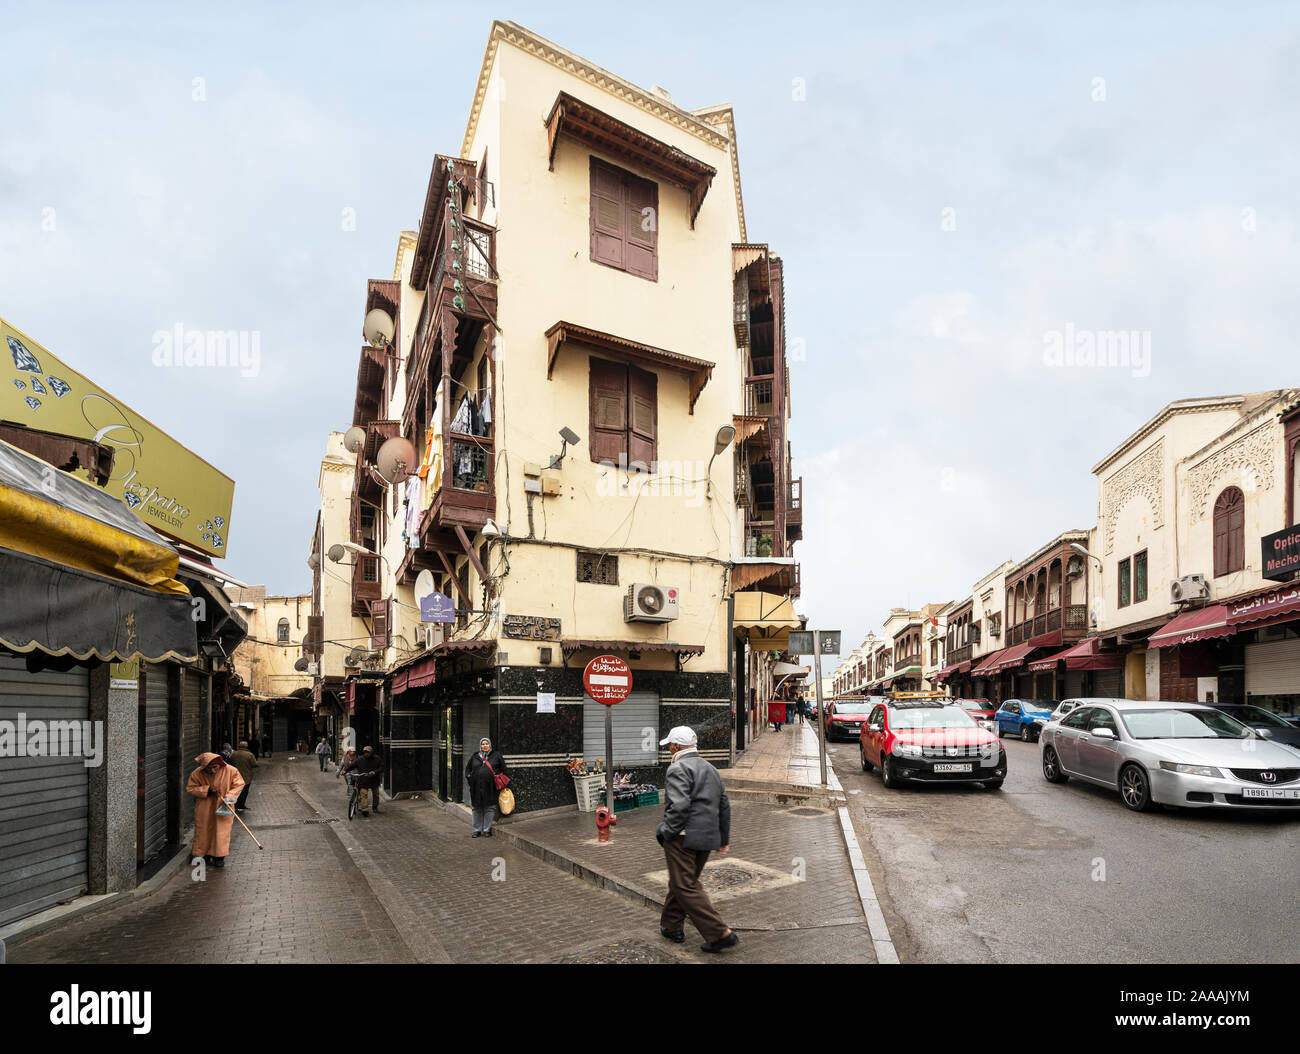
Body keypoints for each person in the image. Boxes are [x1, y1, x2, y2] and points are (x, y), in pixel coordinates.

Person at [655, 726, 738, 953]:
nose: (668, 750)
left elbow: (679, 807)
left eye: (669, 746)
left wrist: (667, 832)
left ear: (675, 746)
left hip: (683, 837)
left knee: (686, 886)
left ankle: (720, 933)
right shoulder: (710, 768)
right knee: (681, 882)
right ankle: (671, 926)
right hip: (707, 837)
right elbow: (724, 805)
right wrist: (724, 838)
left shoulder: (677, 768)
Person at [186, 752, 245, 869]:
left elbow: (239, 784)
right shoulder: (197, 773)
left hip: (224, 805)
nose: (212, 770)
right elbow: (190, 788)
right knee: (203, 830)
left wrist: (229, 796)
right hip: (204, 806)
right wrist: (207, 790)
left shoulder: (231, 771)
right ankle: (205, 854)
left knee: (221, 832)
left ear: (220, 765)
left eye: (215, 767)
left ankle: (219, 857)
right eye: (209, 768)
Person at [465, 737, 506, 838]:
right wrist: (470, 778)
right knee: (476, 808)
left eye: (486, 744)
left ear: (490, 745)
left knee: (489, 808)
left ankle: (487, 830)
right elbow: (468, 769)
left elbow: (504, 770)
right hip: (476, 787)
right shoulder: (475, 756)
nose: (485, 746)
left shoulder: (496, 756)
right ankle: (476, 830)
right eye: (483, 744)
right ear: (480, 745)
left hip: (491, 788)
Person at [352, 745, 383, 816]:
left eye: (368, 752)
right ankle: (365, 810)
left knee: (376, 795)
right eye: (365, 752)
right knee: (364, 794)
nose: (366, 753)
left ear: (371, 752)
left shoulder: (377, 759)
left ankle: (375, 807)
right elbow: (352, 765)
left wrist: (374, 772)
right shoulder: (360, 759)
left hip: (374, 780)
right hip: (364, 780)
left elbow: (381, 767)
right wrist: (345, 770)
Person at [229, 740, 258, 812]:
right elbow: (254, 764)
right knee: (244, 792)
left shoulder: (233, 754)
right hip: (246, 776)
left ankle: (235, 805)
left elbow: (230, 763)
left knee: (236, 791)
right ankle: (241, 805)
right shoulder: (250, 755)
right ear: (247, 746)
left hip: (235, 776)